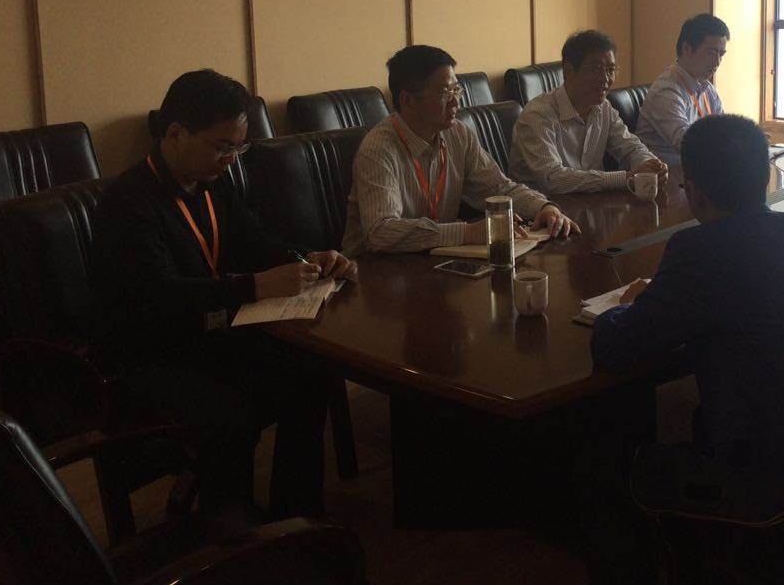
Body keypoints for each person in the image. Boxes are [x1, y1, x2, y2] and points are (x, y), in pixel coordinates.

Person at [90, 69, 358, 517]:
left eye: (238, 147)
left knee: (310, 374)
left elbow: (256, 242)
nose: (231, 159)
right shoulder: (128, 203)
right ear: (175, 134)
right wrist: (254, 285)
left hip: (210, 336)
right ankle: (229, 529)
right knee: (231, 416)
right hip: (148, 357)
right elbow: (158, 297)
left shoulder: (213, 185)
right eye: (221, 146)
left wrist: (306, 259)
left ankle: (294, 517)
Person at [592, 115, 784, 506]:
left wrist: (625, 306)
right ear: (766, 178)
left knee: (601, 473)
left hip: (770, 479)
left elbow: (614, 346)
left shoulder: (699, 251)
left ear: (693, 192)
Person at [342, 44, 578, 255]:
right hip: (375, 270)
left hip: (435, 259)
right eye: (445, 93)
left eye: (456, 90)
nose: (456, 102)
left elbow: (498, 187)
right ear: (407, 101)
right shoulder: (378, 150)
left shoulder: (457, 133)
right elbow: (381, 232)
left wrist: (543, 207)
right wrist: (466, 232)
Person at [509, 29, 666, 194]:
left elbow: (632, 148)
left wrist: (651, 166)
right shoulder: (537, 115)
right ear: (568, 71)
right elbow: (553, 179)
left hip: (590, 202)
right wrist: (625, 177)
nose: (605, 78)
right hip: (542, 206)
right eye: (596, 69)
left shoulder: (603, 108)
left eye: (610, 70)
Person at [636, 13, 729, 166]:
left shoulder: (707, 88)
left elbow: (722, 129)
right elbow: (687, 144)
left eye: (721, 54)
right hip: (664, 175)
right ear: (687, 48)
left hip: (696, 170)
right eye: (711, 52)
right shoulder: (666, 91)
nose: (717, 61)